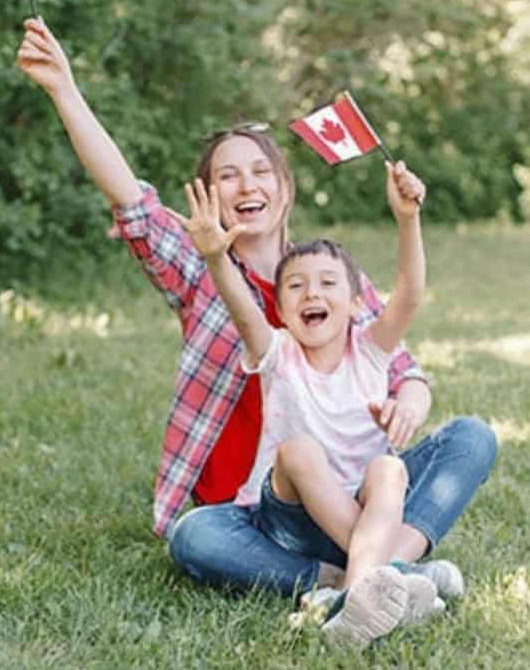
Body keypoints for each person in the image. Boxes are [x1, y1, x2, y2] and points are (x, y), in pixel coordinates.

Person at [15, 16, 498, 601]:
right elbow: (129, 197)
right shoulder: (200, 264)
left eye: (260, 172)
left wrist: (409, 406)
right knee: (195, 538)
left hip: (351, 492)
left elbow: (402, 367)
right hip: (257, 511)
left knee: (470, 438)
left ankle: (374, 568)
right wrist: (64, 90)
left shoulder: (328, 278)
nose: (247, 185)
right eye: (228, 176)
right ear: (209, 197)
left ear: (285, 189)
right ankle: (380, 575)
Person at [179, 163, 441, 647]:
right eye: (296, 286)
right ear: (280, 310)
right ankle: (394, 573)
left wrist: (408, 219)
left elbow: (409, 296)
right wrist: (216, 258)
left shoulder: (372, 349)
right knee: (196, 532)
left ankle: (352, 597)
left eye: (327, 283)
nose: (312, 292)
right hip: (290, 520)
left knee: (398, 465)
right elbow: (244, 312)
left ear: (357, 303)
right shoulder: (277, 353)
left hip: (366, 509)